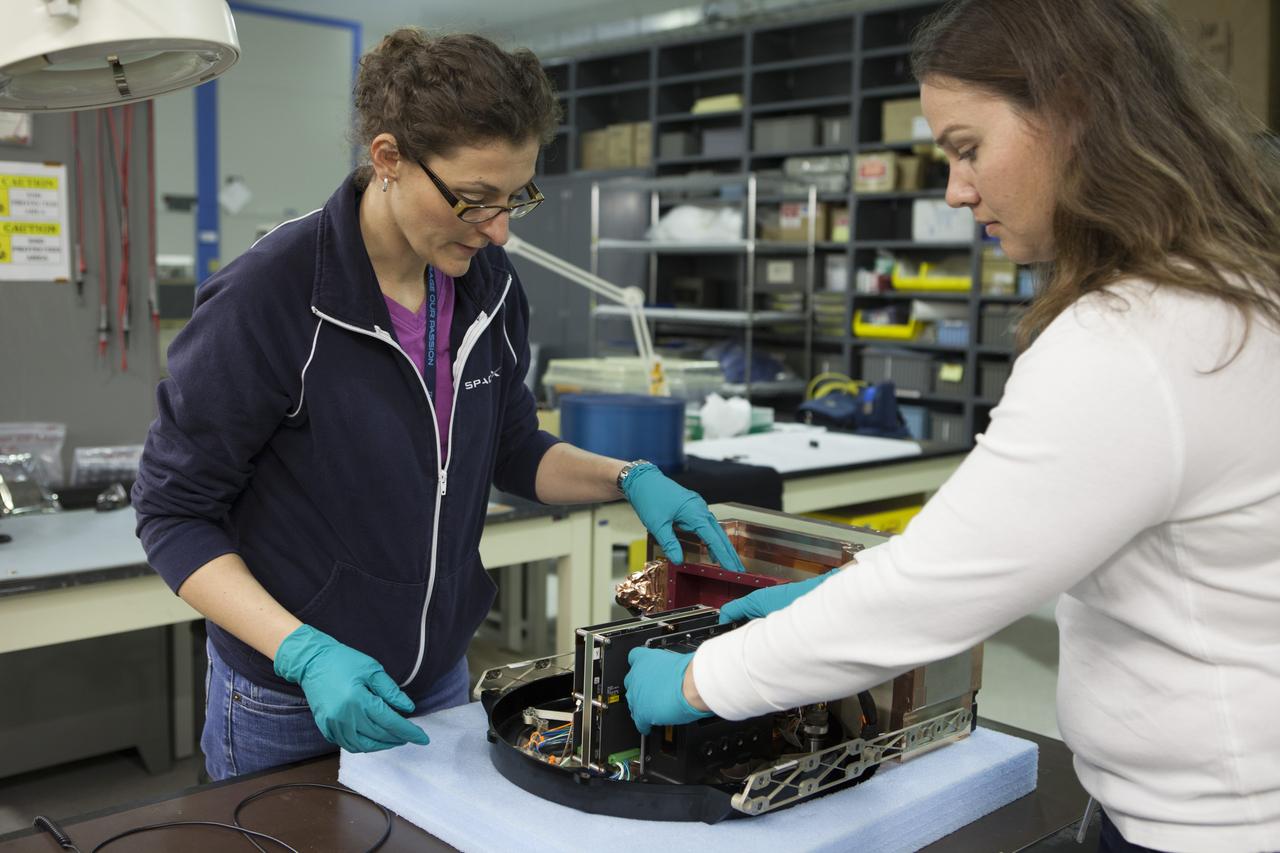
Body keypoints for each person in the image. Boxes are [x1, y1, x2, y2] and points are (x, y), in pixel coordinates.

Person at [624, 1, 1280, 851]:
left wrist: (704, 679)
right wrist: (863, 583)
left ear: (1073, 109)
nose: (954, 189)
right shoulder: (1225, 290)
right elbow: (1051, 529)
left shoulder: (1133, 339)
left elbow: (933, 600)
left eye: (967, 148)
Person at [133, 28, 744, 782]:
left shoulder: (487, 286)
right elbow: (172, 511)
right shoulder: (272, 295)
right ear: (387, 158)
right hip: (289, 698)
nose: (499, 230)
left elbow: (511, 443)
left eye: (515, 196)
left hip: (439, 682)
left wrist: (627, 477)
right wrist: (304, 650)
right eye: (474, 200)